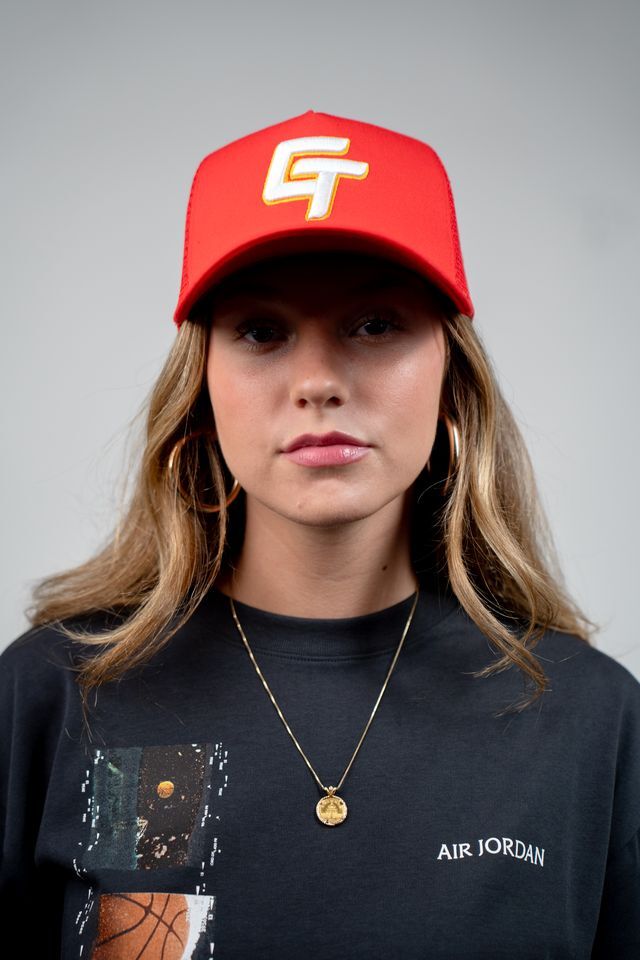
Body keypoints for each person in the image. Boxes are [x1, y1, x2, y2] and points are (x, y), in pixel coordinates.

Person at [1, 109, 638, 959]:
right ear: (202, 384)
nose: (316, 381)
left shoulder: (590, 718)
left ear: (451, 376)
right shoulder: (56, 695)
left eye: (374, 325)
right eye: (262, 331)